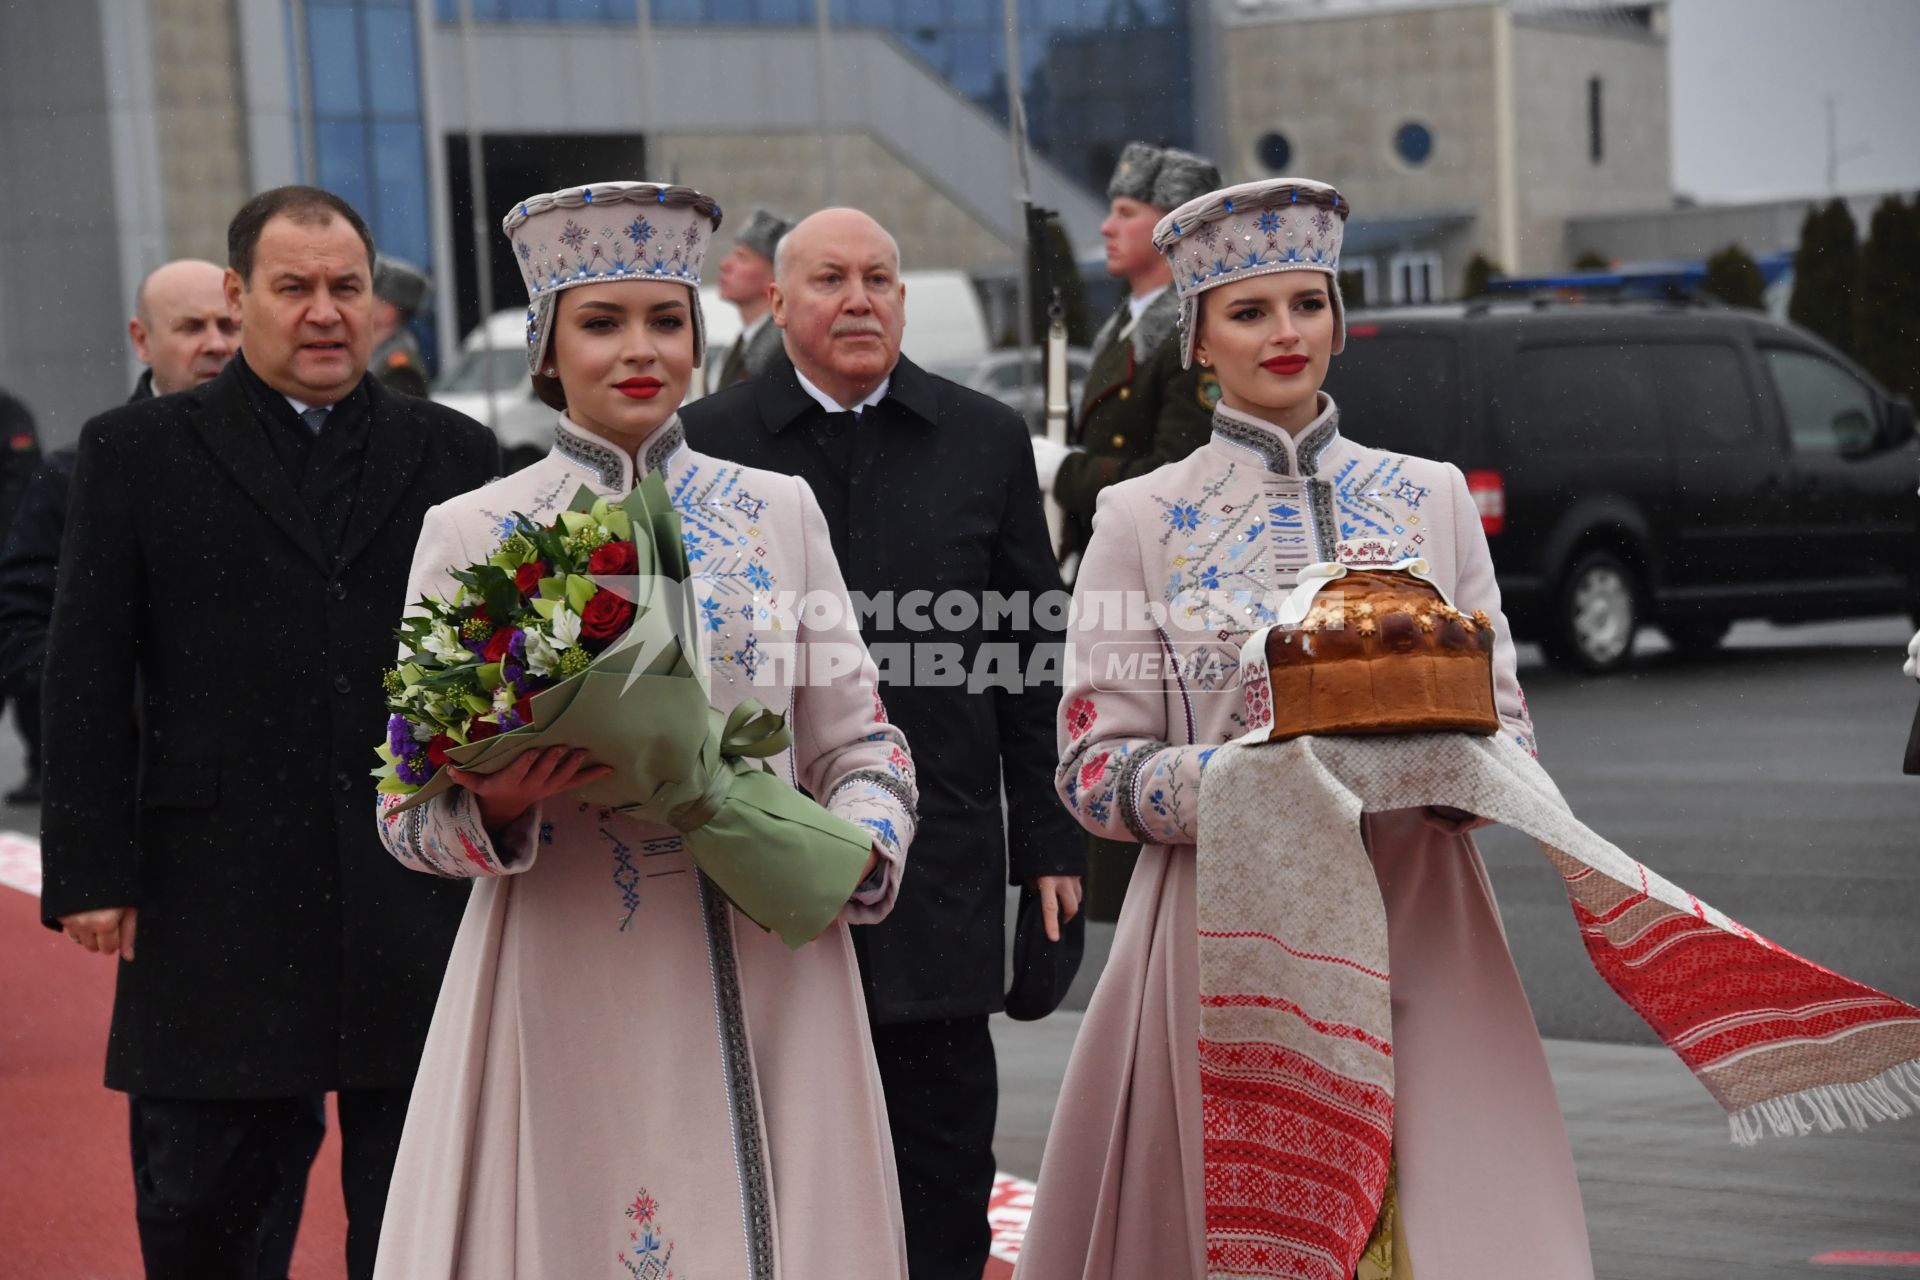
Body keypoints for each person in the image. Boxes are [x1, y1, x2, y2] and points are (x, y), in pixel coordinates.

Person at [1015, 177, 1593, 1278]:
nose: (1286, 333)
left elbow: (1508, 723)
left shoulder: (1429, 498)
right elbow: (1093, 766)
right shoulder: (1141, 516)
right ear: (1198, 340)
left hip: (1422, 916)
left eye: (1307, 303)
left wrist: (1450, 774)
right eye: (1248, 310)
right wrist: (1255, 780)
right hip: (1223, 930)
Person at [370, 181, 920, 1278]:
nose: (641, 351)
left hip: (776, 960)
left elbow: (862, 741)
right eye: (602, 321)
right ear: (546, 346)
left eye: (666, 320)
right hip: (569, 959)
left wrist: (858, 843)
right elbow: (402, 806)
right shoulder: (474, 532)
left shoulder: (779, 512)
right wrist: (499, 800)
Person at [38, 188, 500, 1280]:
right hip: (213, 890)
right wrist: (92, 867)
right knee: (206, 1210)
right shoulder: (135, 449)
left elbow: (496, 667)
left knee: (424, 1215)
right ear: (240, 296)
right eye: (294, 288)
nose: (326, 312)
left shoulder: (456, 453)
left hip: (413, 880)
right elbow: (87, 667)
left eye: (347, 287)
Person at [682, 207, 1085, 1280]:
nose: (859, 299)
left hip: (941, 863)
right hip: (757, 862)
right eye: (829, 279)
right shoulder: (706, 443)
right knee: (777, 1163)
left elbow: (1033, 655)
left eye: (880, 278)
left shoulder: (981, 438)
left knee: (943, 1167)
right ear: (777, 302)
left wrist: (1051, 842)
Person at [1030, 140, 1222, 923]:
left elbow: (1173, 473)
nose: (1107, 225)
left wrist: (1062, 470)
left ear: (1173, 228)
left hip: (1173, 591)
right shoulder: (1133, 323)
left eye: (1127, 211)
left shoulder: (1191, 329)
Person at [0, 261, 240, 812]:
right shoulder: (77, 474)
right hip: (137, 798)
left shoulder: (291, 460)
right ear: (142, 339)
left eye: (229, 327)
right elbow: (22, 632)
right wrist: (141, 702)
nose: (214, 344)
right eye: (189, 327)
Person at [1, 386, 41, 804]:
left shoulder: (8, 412)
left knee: (26, 675)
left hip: (7, 566)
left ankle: (42, 771)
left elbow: (21, 486)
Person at [714, 207, 792, 386]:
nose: (724, 264)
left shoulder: (784, 354)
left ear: (776, 276)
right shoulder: (740, 347)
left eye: (742, 257)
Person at [370, 256, 431, 397]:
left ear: (389, 314)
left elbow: (396, 418)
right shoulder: (376, 354)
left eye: (373, 297)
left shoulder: (400, 369)